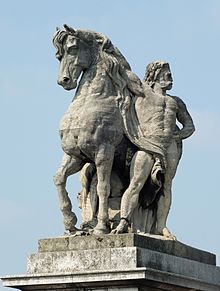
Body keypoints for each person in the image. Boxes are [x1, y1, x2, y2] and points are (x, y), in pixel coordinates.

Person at [112, 61, 195, 238]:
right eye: (167, 74)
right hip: (147, 144)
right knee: (136, 183)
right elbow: (124, 70)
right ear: (155, 75)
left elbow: (189, 125)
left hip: (170, 147)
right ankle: (124, 221)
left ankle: (161, 226)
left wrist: (178, 136)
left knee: (166, 186)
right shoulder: (142, 91)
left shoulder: (176, 102)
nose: (171, 78)